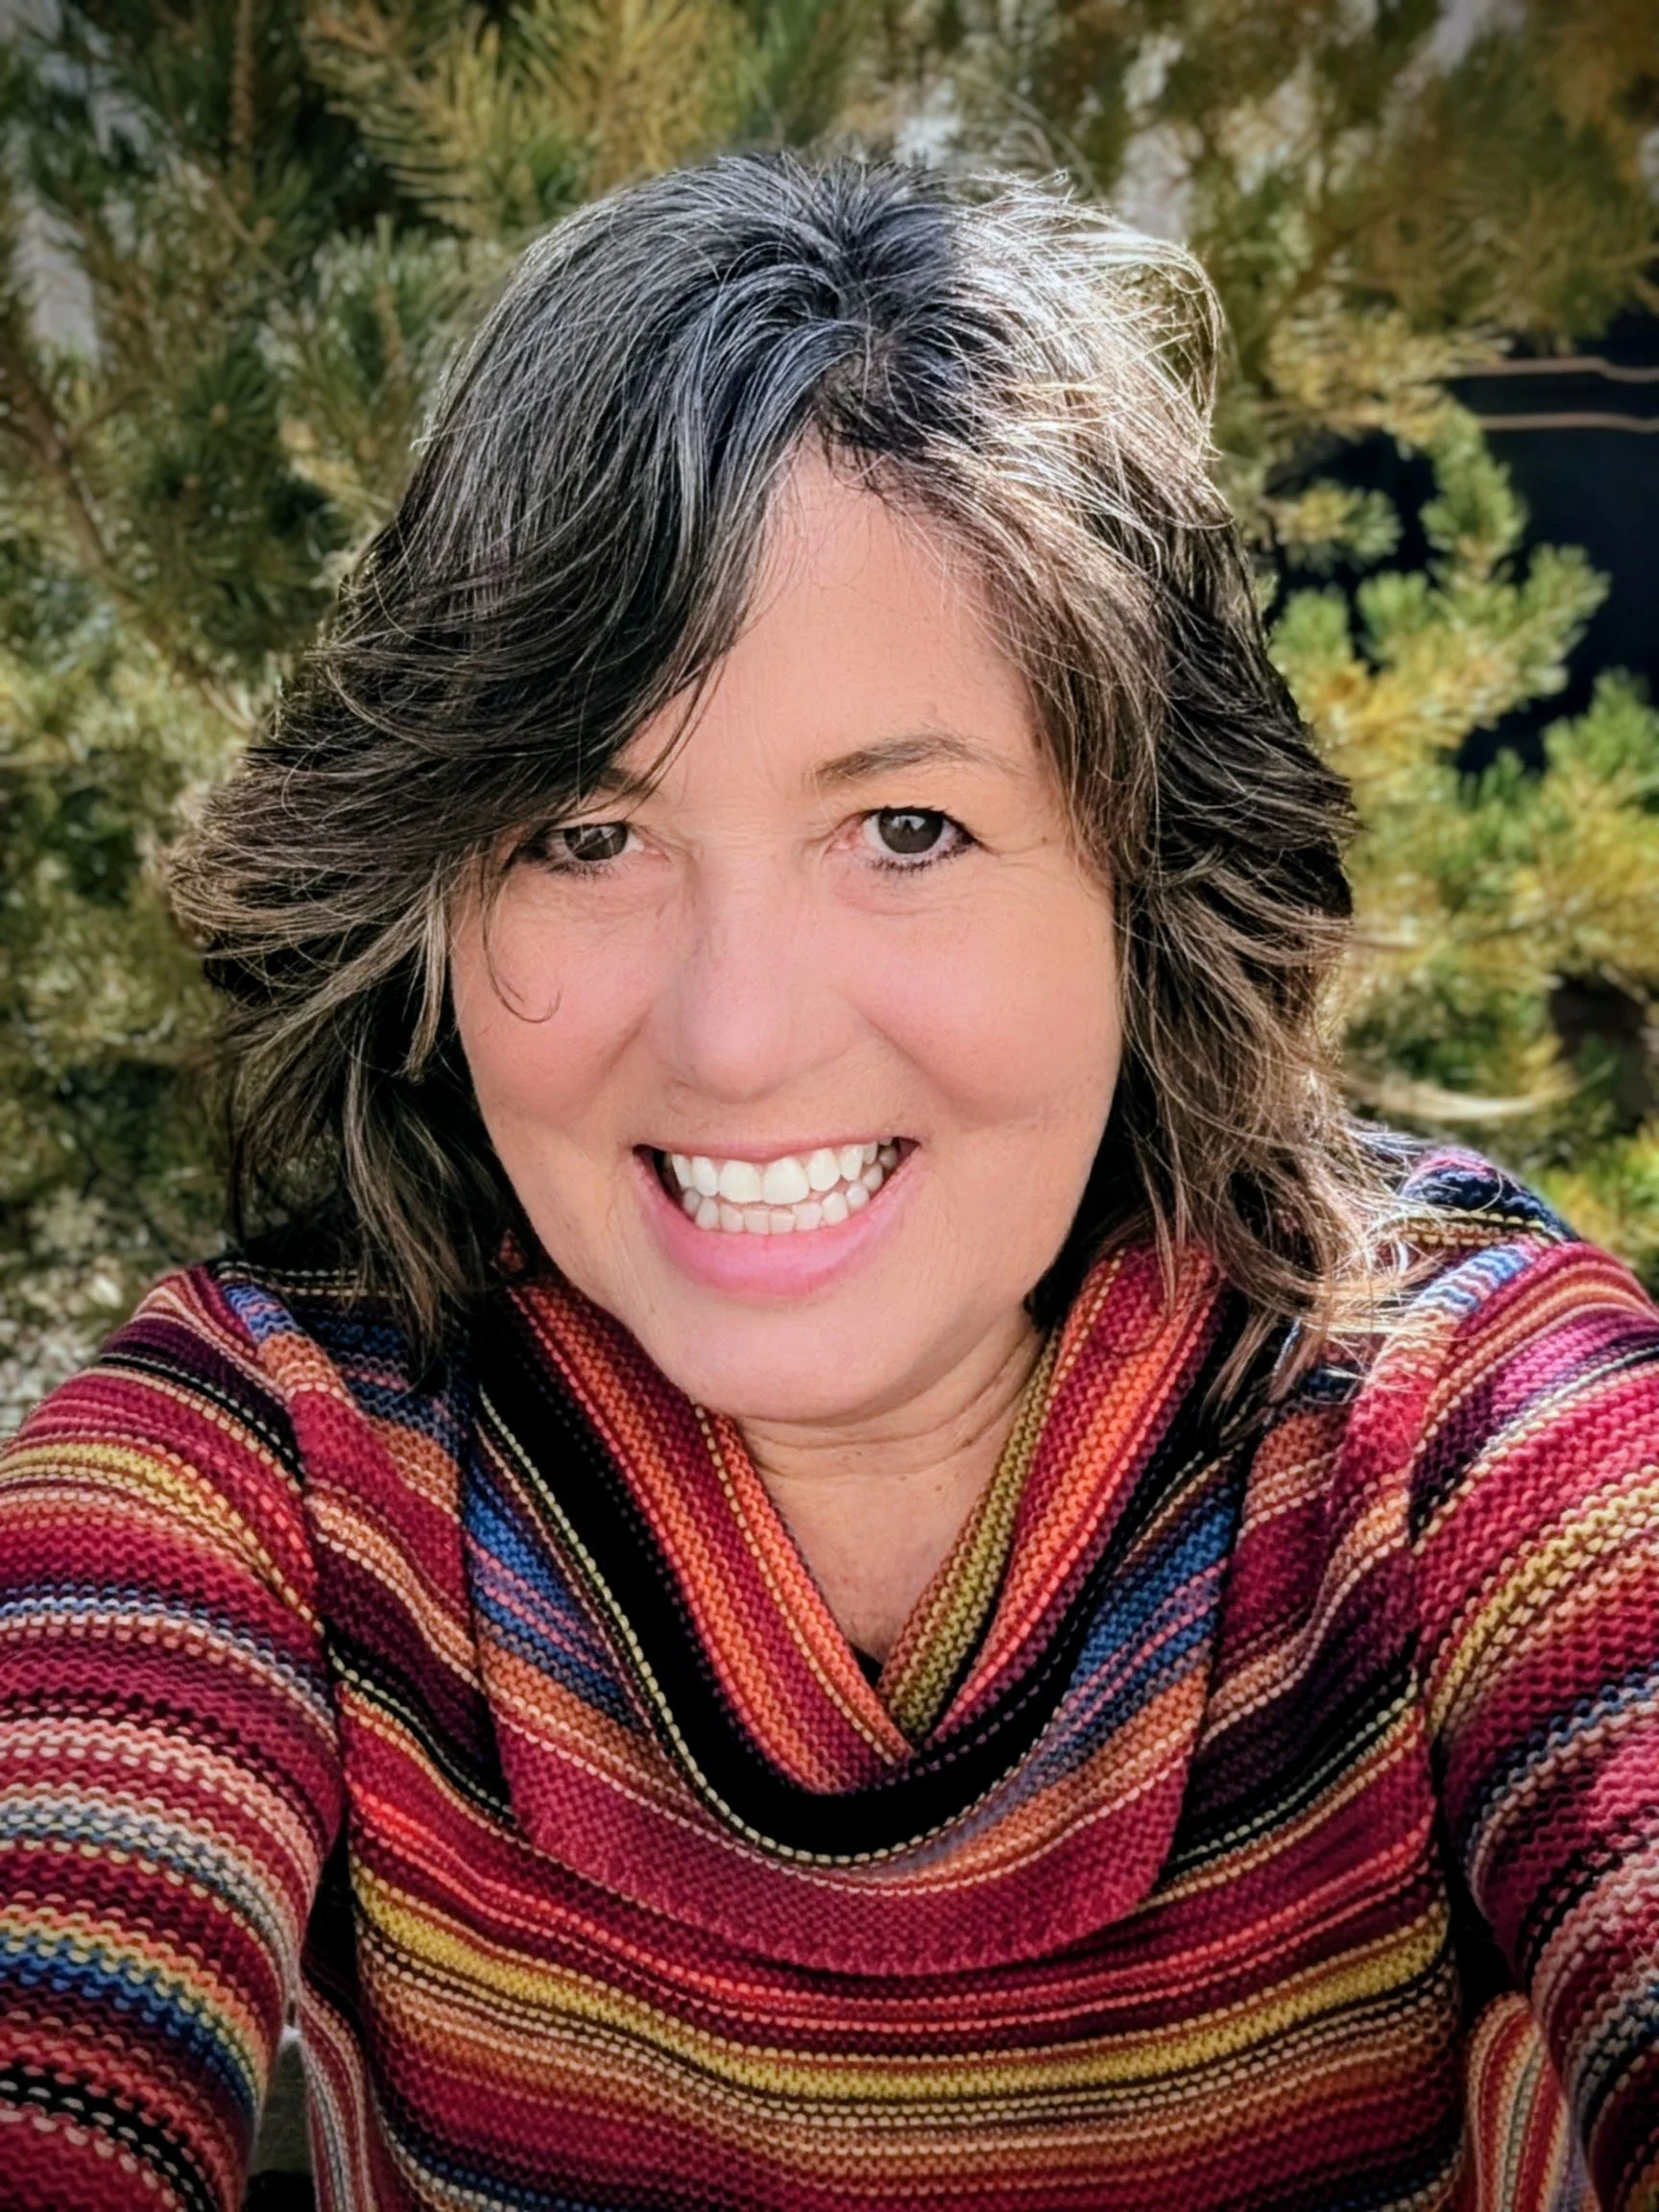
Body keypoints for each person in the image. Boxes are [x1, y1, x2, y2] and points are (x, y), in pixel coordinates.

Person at [1, 152, 1655, 2212]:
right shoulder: (272, 1468)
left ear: (1142, 883)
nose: (732, 1035)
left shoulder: (1465, 1441)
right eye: (585, 836)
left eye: (904, 827)